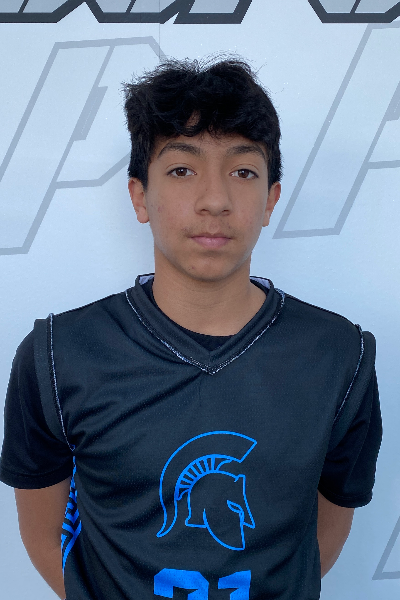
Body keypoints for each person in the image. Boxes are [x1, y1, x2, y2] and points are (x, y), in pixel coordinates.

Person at [0, 55, 382, 600]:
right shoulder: (61, 355)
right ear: (140, 196)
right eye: (182, 170)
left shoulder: (339, 355)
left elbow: (326, 523)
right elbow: (42, 530)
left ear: (271, 199)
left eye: (243, 172)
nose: (215, 201)